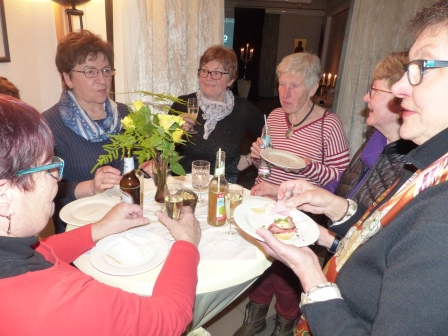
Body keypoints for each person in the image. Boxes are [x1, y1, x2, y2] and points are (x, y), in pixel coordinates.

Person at [254, 1, 448, 334]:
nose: (399, 89)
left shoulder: (440, 212)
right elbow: (384, 236)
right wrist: (334, 206)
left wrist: (311, 276)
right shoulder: (430, 165)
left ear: (312, 88)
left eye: (422, 67)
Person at [0, 94, 202, 335]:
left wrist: (102, 227)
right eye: (48, 168)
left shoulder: (11, 253)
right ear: (4, 198)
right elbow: (169, 319)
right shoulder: (61, 301)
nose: (58, 177)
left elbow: (41, 251)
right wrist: (187, 243)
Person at [234, 52, 349, 336]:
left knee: (286, 271)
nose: (285, 93)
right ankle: (256, 314)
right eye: (281, 84)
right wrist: (259, 156)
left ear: (312, 89)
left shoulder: (328, 125)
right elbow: (266, 166)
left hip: (304, 209)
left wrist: (307, 166)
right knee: (259, 261)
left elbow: (339, 178)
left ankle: (285, 323)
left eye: (294, 86)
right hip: (266, 202)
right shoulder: (273, 116)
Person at [43, 30, 131, 233]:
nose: (102, 80)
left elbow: (134, 165)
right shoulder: (48, 124)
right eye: (90, 71)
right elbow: (45, 190)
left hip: (126, 219)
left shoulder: (125, 113)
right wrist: (90, 187)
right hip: (81, 229)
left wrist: (149, 164)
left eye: (106, 70)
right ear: (68, 78)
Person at [170, 45, 264, 183]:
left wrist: (250, 159)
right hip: (184, 188)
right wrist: (176, 135)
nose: (209, 77)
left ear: (231, 79)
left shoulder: (243, 109)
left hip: (223, 191)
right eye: (205, 71)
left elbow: (269, 135)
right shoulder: (183, 104)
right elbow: (162, 153)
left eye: (217, 73)